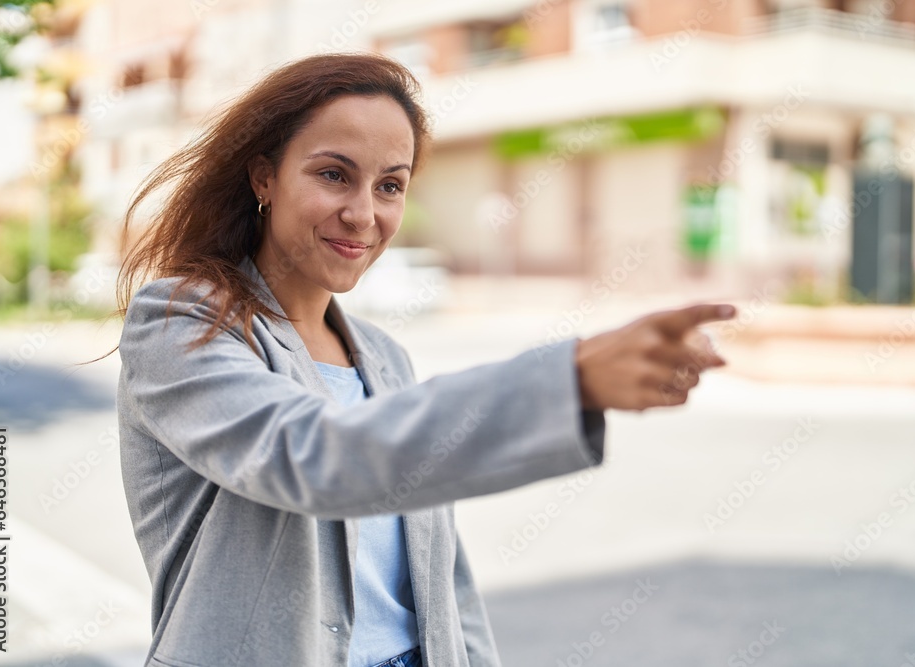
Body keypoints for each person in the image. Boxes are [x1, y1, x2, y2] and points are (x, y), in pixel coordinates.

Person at [112, 52, 735, 667]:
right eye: (333, 174)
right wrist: (567, 381)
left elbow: (443, 581)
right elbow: (310, 457)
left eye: (390, 185)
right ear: (264, 178)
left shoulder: (386, 358)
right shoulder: (180, 322)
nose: (363, 214)